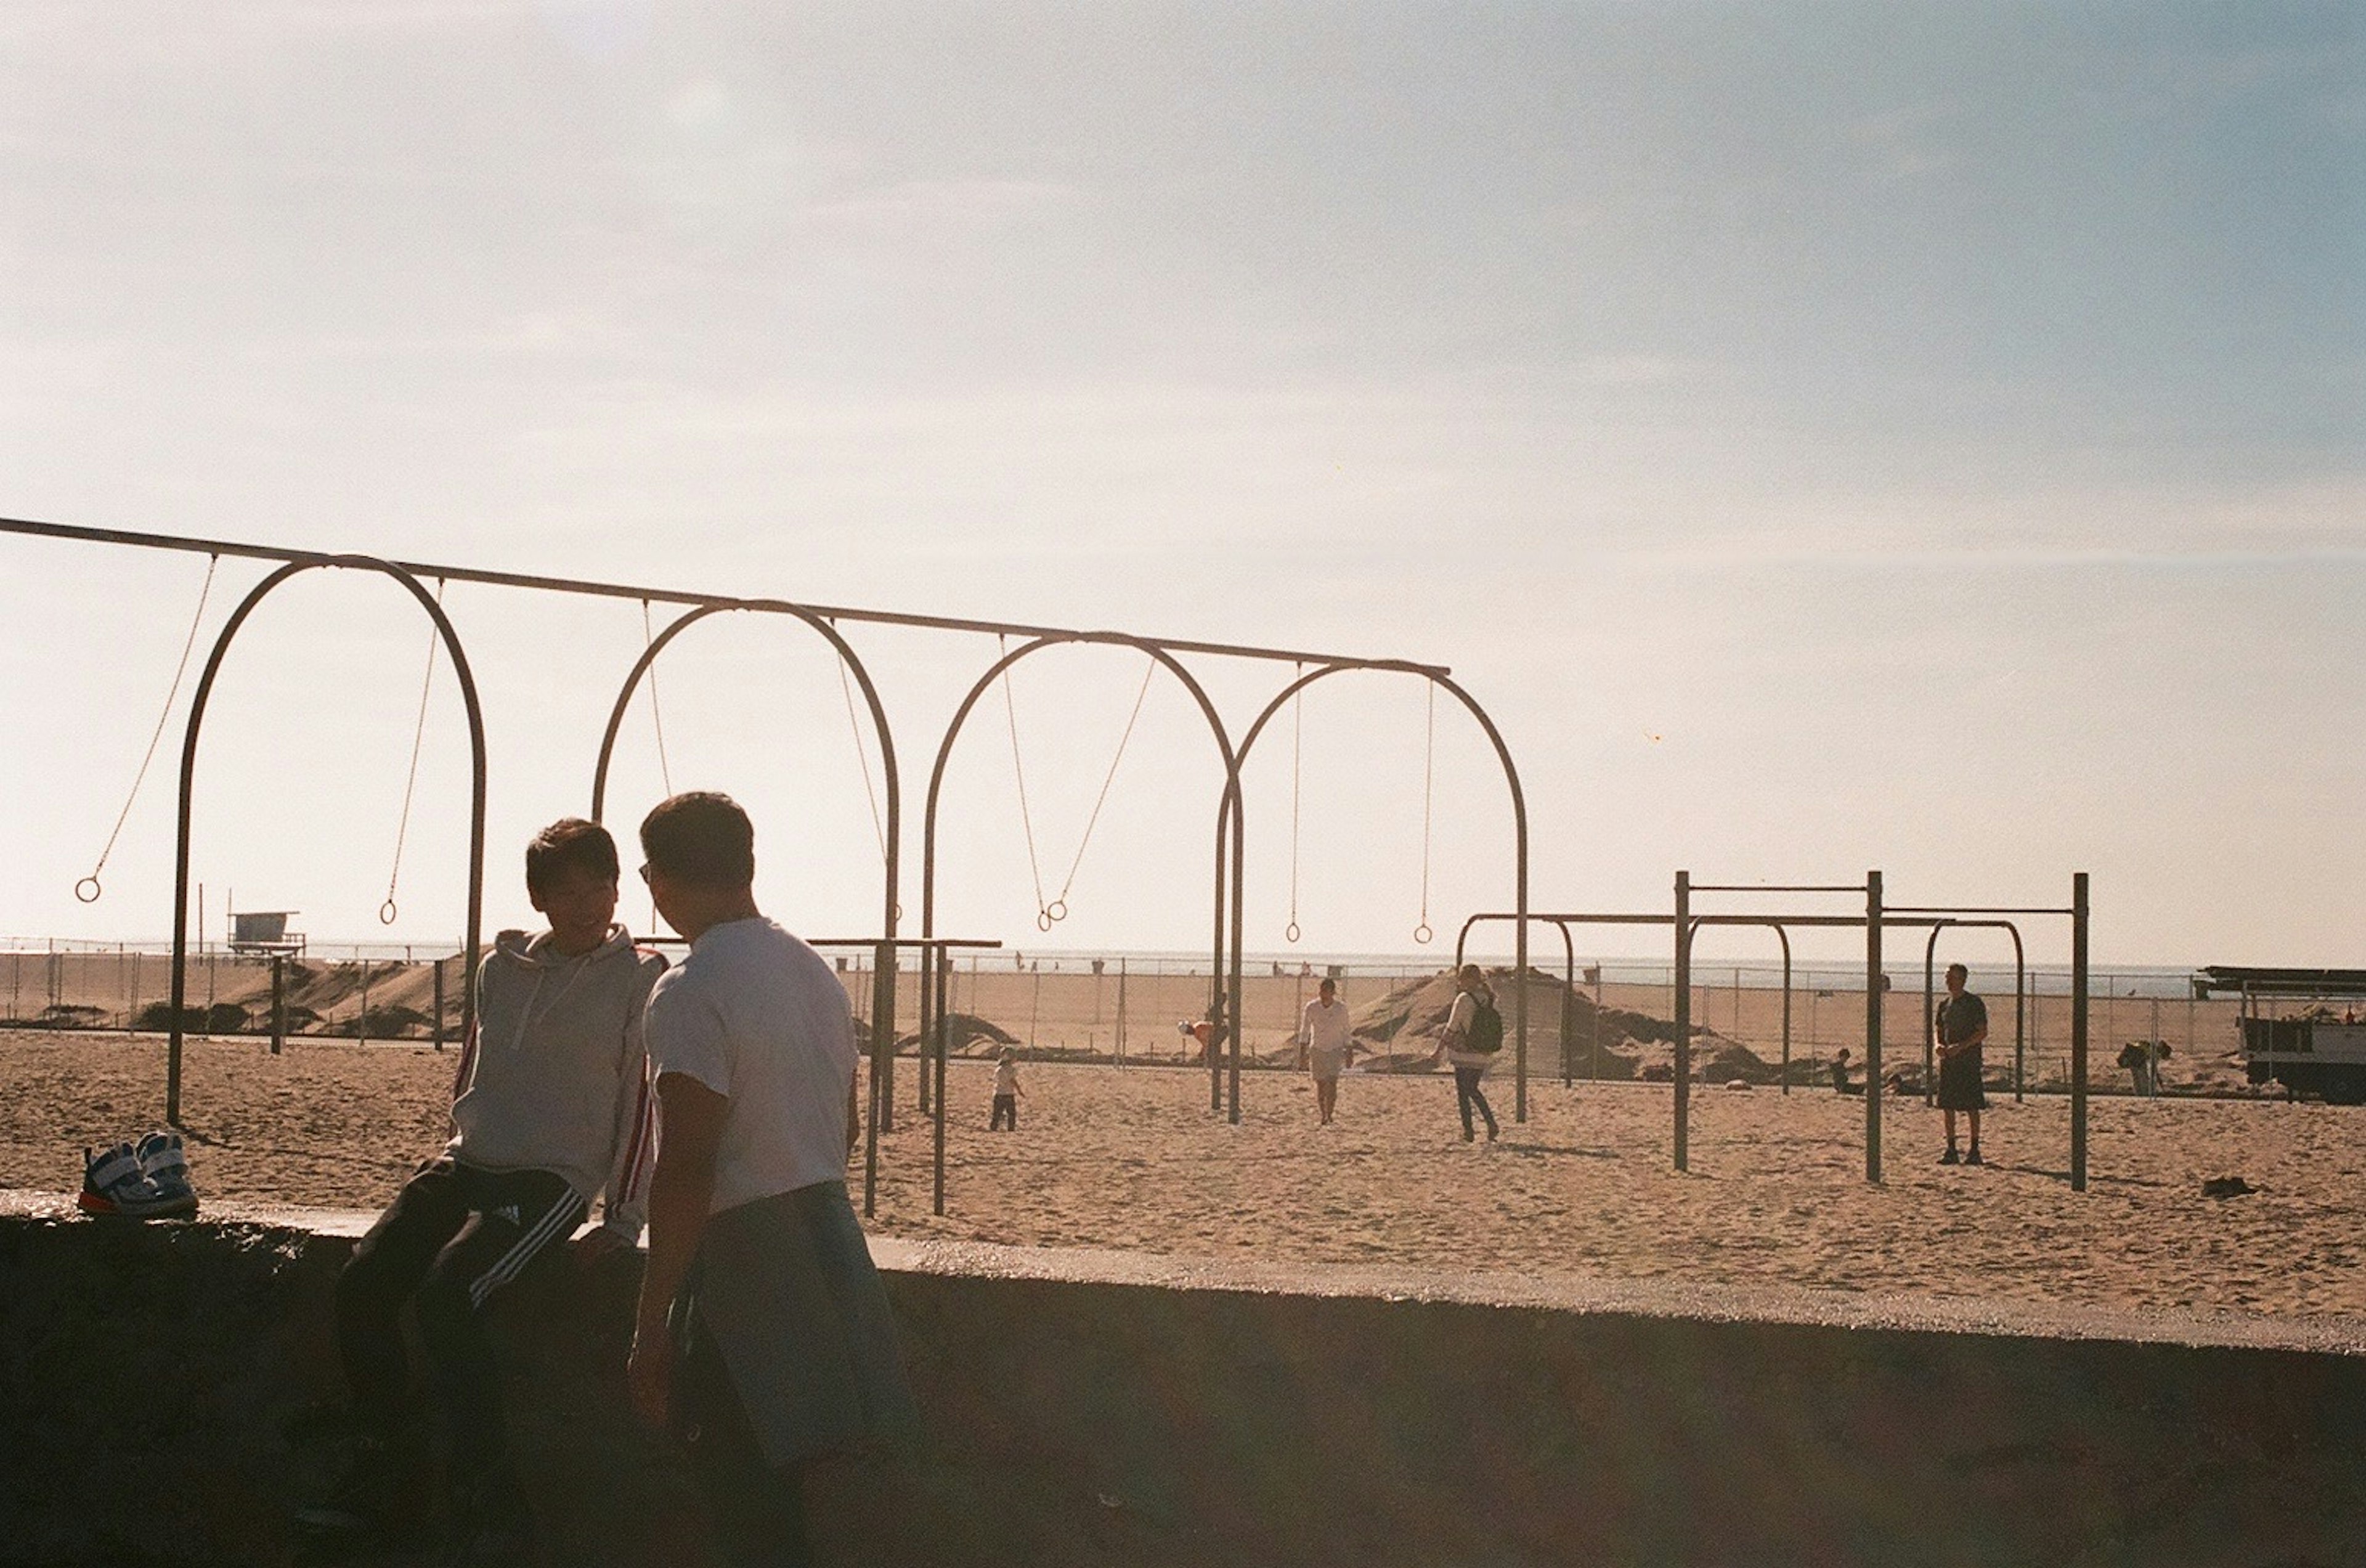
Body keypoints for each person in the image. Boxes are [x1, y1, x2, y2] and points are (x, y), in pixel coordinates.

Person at [301, 818, 664, 1560]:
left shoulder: (641, 977)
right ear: (540, 900)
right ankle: (390, 1470)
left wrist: (624, 1220)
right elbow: (473, 1070)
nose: (589, 904)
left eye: (601, 885)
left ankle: (488, 1497)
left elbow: (641, 1101)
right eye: (568, 891)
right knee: (365, 1282)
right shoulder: (501, 971)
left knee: (449, 1293)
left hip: (552, 1178)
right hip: (469, 1160)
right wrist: (465, 1141)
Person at [626, 792, 916, 1568]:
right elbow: (846, 1128)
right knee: (792, 1492)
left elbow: (686, 1167)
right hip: (825, 1236)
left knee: (739, 1489)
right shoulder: (812, 971)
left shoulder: (689, 990)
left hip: (741, 1255)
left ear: (660, 878)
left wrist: (650, 1326)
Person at [1434, 964, 1501, 1143]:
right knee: (1473, 1089)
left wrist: (1439, 1049)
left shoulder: (1464, 999)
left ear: (1469, 980)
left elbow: (1452, 1027)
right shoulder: (1488, 997)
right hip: (1482, 1052)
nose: (1459, 982)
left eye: (1462, 978)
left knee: (1464, 1092)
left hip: (1464, 1053)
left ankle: (1470, 1130)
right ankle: (1490, 1123)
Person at [1933, 962, 1988, 1165]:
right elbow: (1939, 1030)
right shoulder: (1944, 1005)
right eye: (1947, 978)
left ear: (1963, 980)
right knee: (1948, 1106)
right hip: (1949, 1061)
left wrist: (1962, 1047)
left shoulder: (1974, 1003)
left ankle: (1974, 1149)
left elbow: (1982, 1032)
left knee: (1971, 1105)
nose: (1949, 982)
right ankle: (1951, 1149)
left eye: (1953, 978)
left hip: (1968, 1061)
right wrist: (1939, 1046)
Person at [1301, 977, 1354, 1125]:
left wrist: (1349, 1051)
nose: (1324, 994)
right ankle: (1323, 1114)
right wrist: (1302, 1052)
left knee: (1333, 1083)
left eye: (1327, 991)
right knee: (1321, 1084)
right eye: (1322, 991)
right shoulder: (1311, 1007)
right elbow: (1305, 1031)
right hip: (1317, 1048)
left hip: (1335, 1048)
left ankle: (1330, 1113)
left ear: (1333, 992)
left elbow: (1346, 1031)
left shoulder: (1341, 1009)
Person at [989, 1047, 1025, 1131]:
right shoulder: (1011, 1069)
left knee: (997, 1114)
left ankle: (993, 1128)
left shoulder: (998, 1069)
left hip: (998, 1094)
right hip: (1008, 1094)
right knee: (1011, 1114)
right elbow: (1013, 1081)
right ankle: (1011, 1129)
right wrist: (1019, 1090)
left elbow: (996, 1080)